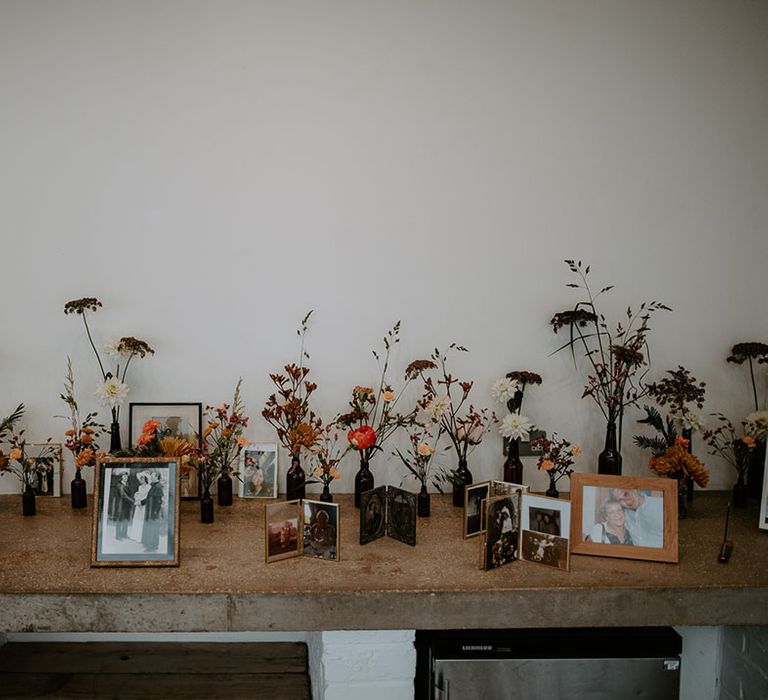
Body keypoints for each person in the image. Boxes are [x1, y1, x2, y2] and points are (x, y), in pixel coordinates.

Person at [141, 471, 164, 553]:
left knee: (152, 529)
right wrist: (141, 502)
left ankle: (151, 547)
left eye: (152, 476)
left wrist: (155, 512)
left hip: (153, 512)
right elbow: (148, 498)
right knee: (152, 528)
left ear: (157, 477)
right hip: (150, 511)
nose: (150, 477)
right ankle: (153, 545)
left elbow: (159, 502)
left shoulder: (158, 487)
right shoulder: (153, 486)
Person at [128, 472, 151, 541]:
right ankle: (135, 536)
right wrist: (137, 498)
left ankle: (140, 537)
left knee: (142, 520)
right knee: (137, 519)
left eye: (143, 478)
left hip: (144, 506)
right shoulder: (139, 487)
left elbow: (147, 497)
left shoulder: (149, 487)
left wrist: (141, 502)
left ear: (146, 479)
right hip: (138, 505)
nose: (141, 480)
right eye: (141, 478)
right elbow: (138, 494)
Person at [113, 473, 134, 541]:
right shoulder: (119, 485)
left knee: (126, 520)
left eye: (127, 476)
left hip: (126, 506)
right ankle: (118, 536)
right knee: (119, 520)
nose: (126, 478)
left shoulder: (127, 484)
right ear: (121, 477)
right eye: (124, 476)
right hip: (121, 505)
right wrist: (132, 501)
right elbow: (123, 495)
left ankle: (124, 534)